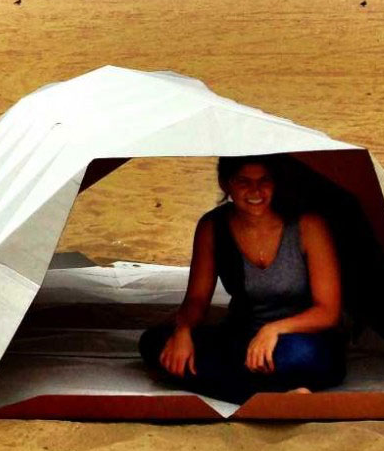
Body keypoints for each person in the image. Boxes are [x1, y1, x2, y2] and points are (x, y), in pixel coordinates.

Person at [139, 156, 346, 403]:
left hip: (300, 339)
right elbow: (196, 299)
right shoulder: (213, 226)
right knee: (155, 343)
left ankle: (229, 388)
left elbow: (328, 311)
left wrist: (274, 330)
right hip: (242, 339)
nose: (255, 191)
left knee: (300, 356)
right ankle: (277, 395)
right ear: (226, 184)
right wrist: (183, 330)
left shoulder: (307, 225)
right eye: (243, 182)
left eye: (264, 181)